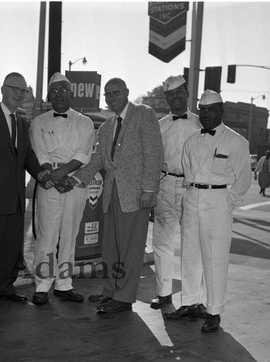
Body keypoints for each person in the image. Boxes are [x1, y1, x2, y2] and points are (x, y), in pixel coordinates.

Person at [73, 78, 164, 313]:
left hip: (136, 194)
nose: (111, 98)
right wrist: (75, 178)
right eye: (107, 94)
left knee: (131, 248)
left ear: (126, 93)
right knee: (111, 247)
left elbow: (154, 153)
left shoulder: (143, 114)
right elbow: (97, 159)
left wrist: (149, 189)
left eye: (116, 93)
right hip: (111, 193)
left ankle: (124, 298)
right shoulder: (105, 127)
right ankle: (110, 291)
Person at [164, 89, 251, 332]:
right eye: (202, 110)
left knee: (215, 257)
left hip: (218, 199)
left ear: (221, 111)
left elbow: (244, 179)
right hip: (192, 197)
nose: (206, 114)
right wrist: (194, 194)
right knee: (189, 254)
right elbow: (188, 172)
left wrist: (227, 202)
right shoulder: (192, 141)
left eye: (211, 110)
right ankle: (190, 302)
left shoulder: (235, 141)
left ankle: (214, 311)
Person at [0, 72, 48, 309]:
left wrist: (41, 174)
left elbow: (27, 157)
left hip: (14, 198)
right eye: (14, 88)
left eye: (22, 90)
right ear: (3, 89)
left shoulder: (22, 122)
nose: (18, 93)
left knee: (10, 247)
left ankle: (4, 287)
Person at [29, 72, 94, 306]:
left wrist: (63, 175)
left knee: (69, 235)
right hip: (49, 182)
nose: (59, 94)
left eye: (63, 90)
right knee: (47, 235)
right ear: (48, 95)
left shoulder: (84, 122)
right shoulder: (38, 122)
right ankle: (42, 285)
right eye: (54, 90)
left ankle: (64, 285)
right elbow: (40, 153)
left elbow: (82, 154)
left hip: (73, 183)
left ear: (71, 93)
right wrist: (56, 176)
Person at [151, 75, 202, 311]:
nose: (175, 97)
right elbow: (152, 161)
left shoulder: (202, 125)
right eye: (170, 94)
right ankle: (163, 295)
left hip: (190, 188)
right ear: (166, 98)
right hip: (164, 185)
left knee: (192, 243)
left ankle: (192, 299)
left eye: (179, 92)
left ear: (187, 93)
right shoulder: (159, 125)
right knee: (162, 243)